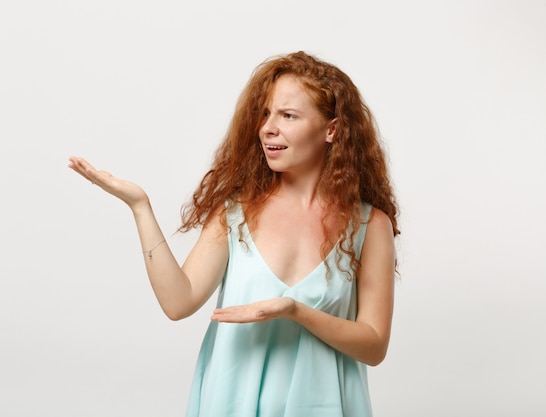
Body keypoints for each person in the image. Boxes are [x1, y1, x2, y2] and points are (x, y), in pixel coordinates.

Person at [68, 50, 399, 417]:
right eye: (266, 113)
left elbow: (374, 345)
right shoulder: (236, 212)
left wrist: (295, 311)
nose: (268, 127)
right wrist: (140, 207)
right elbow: (179, 303)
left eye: (288, 115)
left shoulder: (370, 225)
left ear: (332, 130)